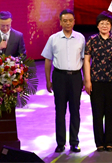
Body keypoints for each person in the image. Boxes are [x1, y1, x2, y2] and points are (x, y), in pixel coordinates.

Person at [42, 9, 85, 154]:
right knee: (60, 111)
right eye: (65, 21)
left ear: (74, 22)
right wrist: (48, 80)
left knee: (75, 111)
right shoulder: (53, 39)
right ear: (60, 22)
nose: (68, 23)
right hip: (59, 77)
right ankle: (60, 143)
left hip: (75, 77)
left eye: (70, 20)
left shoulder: (80, 38)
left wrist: (85, 79)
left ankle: (74, 142)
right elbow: (48, 60)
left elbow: (84, 60)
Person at [83, 13, 112, 153]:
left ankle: (110, 142)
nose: (104, 26)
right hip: (96, 81)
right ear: (97, 25)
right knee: (98, 113)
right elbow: (86, 60)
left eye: (107, 23)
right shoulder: (92, 40)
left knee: (111, 112)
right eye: (102, 23)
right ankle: (99, 142)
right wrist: (87, 80)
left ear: (111, 26)